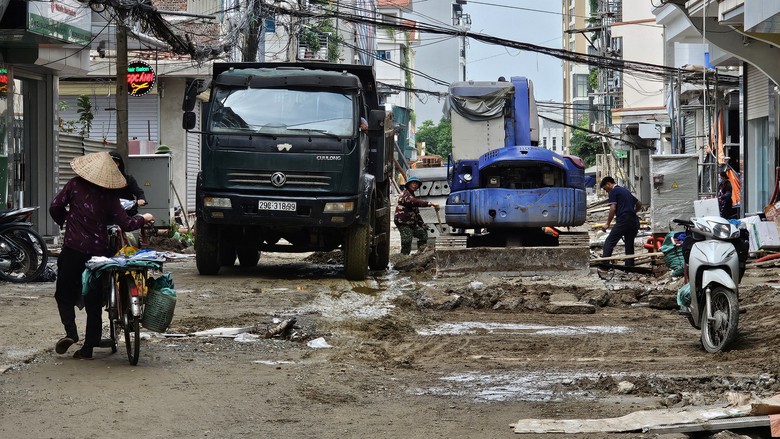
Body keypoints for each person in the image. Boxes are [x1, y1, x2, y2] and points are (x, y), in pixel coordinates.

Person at [50, 151, 154, 360]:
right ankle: (88, 348)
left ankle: (71, 332)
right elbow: (125, 223)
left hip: (72, 249)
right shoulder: (109, 195)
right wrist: (144, 219)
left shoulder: (74, 184)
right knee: (94, 302)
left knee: (63, 292)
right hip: (97, 255)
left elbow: (55, 207)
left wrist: (66, 220)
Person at [599, 176, 642, 270]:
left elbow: (613, 208)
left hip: (623, 219)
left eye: (606, 189)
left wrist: (607, 223)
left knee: (609, 241)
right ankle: (629, 267)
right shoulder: (625, 190)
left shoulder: (613, 192)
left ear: (608, 184)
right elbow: (639, 204)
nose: (607, 192)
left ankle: (605, 266)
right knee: (629, 243)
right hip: (633, 220)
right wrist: (632, 212)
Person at [394, 176, 439, 255]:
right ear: (408, 185)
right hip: (403, 222)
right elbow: (413, 201)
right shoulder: (405, 194)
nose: (415, 185)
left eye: (416, 184)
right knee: (407, 241)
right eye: (413, 183)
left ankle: (420, 255)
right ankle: (403, 259)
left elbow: (416, 214)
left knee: (423, 235)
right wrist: (430, 203)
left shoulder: (412, 195)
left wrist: (422, 224)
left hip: (412, 223)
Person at [108, 151, 147, 216]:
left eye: (116, 162)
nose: (114, 165)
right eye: (111, 163)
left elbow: (138, 192)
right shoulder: (101, 181)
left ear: (120, 164)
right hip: (108, 214)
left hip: (127, 212)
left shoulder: (128, 179)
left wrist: (141, 199)